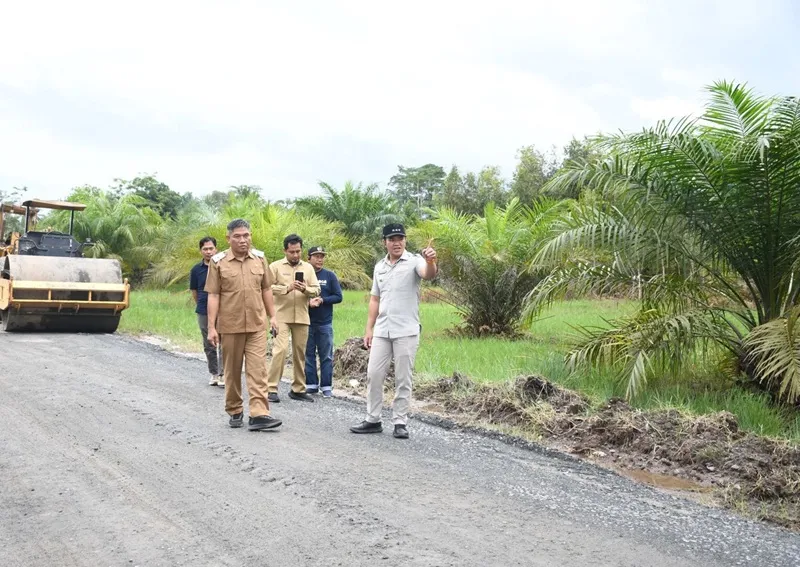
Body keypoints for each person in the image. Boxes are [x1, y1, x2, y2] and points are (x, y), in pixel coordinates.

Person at [350, 223, 437, 439]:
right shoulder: (379, 266)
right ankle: (373, 419)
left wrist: (431, 261)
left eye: (400, 238)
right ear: (385, 242)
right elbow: (374, 298)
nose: (396, 243)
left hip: (406, 330)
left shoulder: (415, 261)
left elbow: (428, 275)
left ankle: (400, 421)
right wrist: (369, 328)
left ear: (405, 240)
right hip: (382, 330)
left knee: (403, 378)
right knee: (374, 374)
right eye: (392, 239)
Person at [205, 219, 282, 431]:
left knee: (258, 370)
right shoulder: (218, 262)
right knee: (232, 370)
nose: (242, 240)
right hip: (230, 325)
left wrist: (272, 316)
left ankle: (259, 414)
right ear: (228, 239)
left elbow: (266, 289)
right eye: (237, 236)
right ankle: (234, 408)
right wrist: (212, 327)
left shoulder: (260, 259)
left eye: (246, 235)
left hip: (257, 324)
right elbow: (213, 294)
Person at [266, 234, 320, 403]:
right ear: (285, 251)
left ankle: (298, 389)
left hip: (302, 316)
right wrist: (287, 288)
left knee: (300, 353)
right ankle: (271, 388)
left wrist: (305, 289)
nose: (295, 255)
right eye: (292, 252)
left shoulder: (308, 268)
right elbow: (266, 288)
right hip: (281, 315)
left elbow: (316, 290)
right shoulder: (275, 266)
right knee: (280, 350)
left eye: (298, 251)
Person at [304, 246, 343, 397]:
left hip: (325, 323)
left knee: (326, 355)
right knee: (308, 355)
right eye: (316, 256)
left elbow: (338, 296)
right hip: (307, 321)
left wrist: (323, 300)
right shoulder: (304, 275)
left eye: (322, 256)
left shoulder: (329, 276)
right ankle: (311, 384)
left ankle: (326, 386)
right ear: (309, 258)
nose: (320, 259)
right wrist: (308, 302)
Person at [189, 236, 224, 387]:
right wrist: (204, 305)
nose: (209, 252)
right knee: (209, 343)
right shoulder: (196, 270)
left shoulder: (224, 266)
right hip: (203, 309)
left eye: (211, 248)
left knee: (224, 343)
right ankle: (214, 373)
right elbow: (194, 291)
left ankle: (223, 374)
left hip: (223, 309)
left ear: (216, 249)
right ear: (201, 251)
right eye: (205, 249)